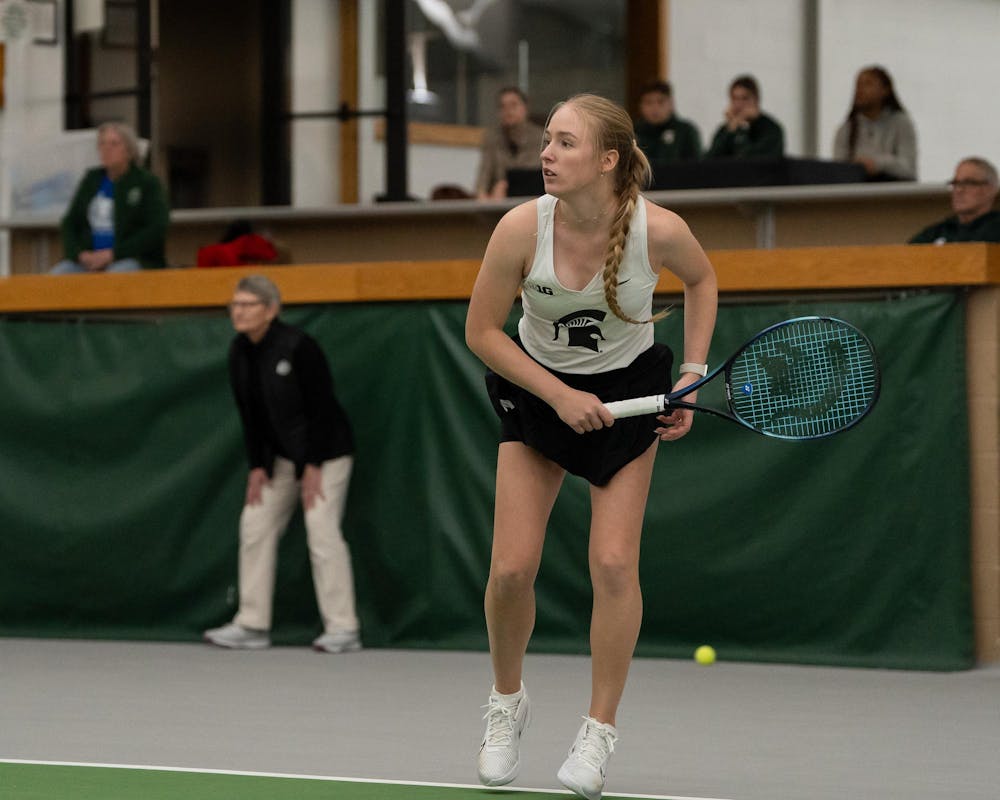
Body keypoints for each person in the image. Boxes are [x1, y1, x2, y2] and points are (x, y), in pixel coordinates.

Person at [465, 93, 717, 799]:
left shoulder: (658, 230)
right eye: (547, 139)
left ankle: (599, 729)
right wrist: (558, 395)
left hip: (630, 393)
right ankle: (506, 703)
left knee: (612, 562)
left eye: (564, 143)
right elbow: (481, 333)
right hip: (540, 392)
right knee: (511, 570)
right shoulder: (521, 228)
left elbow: (702, 279)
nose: (546, 153)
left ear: (608, 159)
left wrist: (692, 372)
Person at [204, 275, 361, 654]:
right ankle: (252, 624)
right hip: (280, 460)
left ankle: (344, 629)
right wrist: (258, 466)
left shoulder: (299, 346)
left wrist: (313, 466)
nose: (238, 312)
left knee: (321, 528)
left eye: (247, 305)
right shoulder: (239, 352)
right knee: (254, 523)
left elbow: (321, 409)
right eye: (235, 305)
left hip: (326, 455)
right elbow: (251, 415)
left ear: (271, 310)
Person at [51, 121, 169, 274]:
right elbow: (70, 222)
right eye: (102, 144)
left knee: (116, 275)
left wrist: (113, 254)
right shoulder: (92, 179)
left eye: (114, 144)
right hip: (88, 259)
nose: (106, 149)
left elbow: (156, 228)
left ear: (129, 150)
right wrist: (79, 254)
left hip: (130, 258)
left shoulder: (146, 182)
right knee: (58, 275)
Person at [833, 65, 917, 181]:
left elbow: (908, 169)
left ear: (885, 90)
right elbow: (838, 171)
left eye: (868, 84)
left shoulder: (901, 123)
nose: (860, 90)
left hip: (893, 188)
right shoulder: (846, 129)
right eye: (858, 85)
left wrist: (877, 164)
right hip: (858, 189)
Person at [474, 87, 545, 199]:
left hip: (533, 199)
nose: (508, 111)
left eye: (513, 105)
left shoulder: (540, 137)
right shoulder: (492, 138)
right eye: (502, 106)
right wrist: (483, 198)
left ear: (525, 108)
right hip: (500, 201)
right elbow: (483, 179)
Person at [910, 157, 1000, 244]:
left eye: (968, 183)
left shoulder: (996, 229)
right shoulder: (939, 231)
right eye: (955, 183)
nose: (959, 190)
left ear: (990, 189)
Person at [705, 75, 784, 159]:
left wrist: (742, 128)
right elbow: (709, 159)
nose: (739, 104)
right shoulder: (726, 129)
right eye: (734, 99)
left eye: (744, 98)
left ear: (756, 100)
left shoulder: (771, 129)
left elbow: (748, 159)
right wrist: (731, 131)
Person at [633, 80, 702, 163]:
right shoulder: (634, 132)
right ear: (640, 106)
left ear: (671, 104)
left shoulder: (686, 132)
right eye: (649, 102)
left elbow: (697, 165)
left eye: (660, 102)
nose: (655, 108)